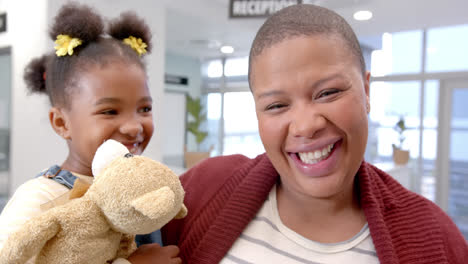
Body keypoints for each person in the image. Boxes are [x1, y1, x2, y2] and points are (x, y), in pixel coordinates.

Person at [158, 4, 468, 264]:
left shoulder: (435, 239)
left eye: (328, 92)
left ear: (367, 90)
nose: (306, 126)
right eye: (277, 105)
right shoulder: (198, 193)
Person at [0, 3, 180, 264]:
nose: (134, 126)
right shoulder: (41, 199)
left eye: (144, 108)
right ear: (62, 122)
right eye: (109, 111)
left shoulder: (148, 189)